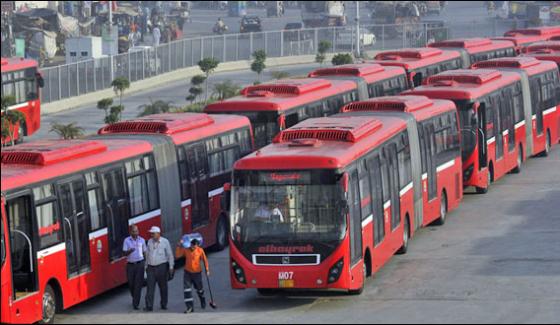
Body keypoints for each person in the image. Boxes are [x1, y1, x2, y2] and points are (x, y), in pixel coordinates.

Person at [175, 238, 210, 313]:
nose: (193, 247)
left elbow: (205, 260)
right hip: (187, 273)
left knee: (199, 289)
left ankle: (202, 300)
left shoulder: (200, 250)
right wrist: (178, 246)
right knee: (187, 290)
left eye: (195, 246)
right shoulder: (186, 250)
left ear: (197, 246)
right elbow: (177, 255)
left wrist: (207, 270)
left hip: (197, 274)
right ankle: (189, 307)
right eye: (192, 246)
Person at [144, 226, 174, 312]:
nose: (151, 235)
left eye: (153, 233)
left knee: (163, 287)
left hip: (162, 267)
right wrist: (146, 267)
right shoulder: (149, 242)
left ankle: (164, 304)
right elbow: (147, 255)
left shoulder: (165, 242)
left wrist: (171, 267)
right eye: (151, 233)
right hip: (151, 267)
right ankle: (149, 306)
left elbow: (170, 255)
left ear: (158, 234)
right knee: (150, 288)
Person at [123, 225, 147, 310]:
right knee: (131, 284)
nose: (135, 233)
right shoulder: (126, 240)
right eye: (133, 231)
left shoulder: (142, 240)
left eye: (136, 231)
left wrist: (146, 264)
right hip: (130, 265)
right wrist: (130, 251)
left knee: (138, 284)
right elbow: (124, 253)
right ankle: (135, 297)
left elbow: (145, 252)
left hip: (140, 264)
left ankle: (135, 303)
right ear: (130, 232)